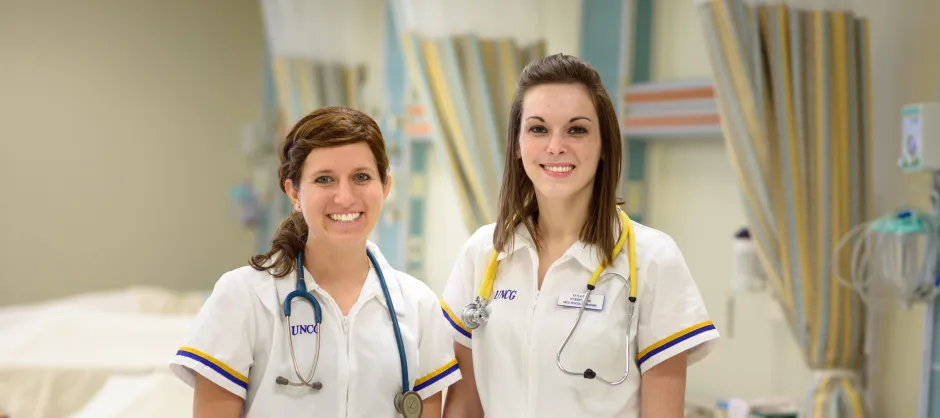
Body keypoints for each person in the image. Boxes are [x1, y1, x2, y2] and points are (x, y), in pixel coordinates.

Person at [440, 54, 719, 418]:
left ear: (604, 145)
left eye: (577, 129)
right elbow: (464, 406)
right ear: (517, 144)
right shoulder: (484, 252)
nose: (556, 146)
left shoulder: (652, 259)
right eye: (538, 129)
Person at [169, 106, 461, 418]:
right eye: (325, 179)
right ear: (293, 192)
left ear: (385, 186)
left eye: (361, 177)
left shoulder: (418, 305)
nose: (345, 197)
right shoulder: (244, 297)